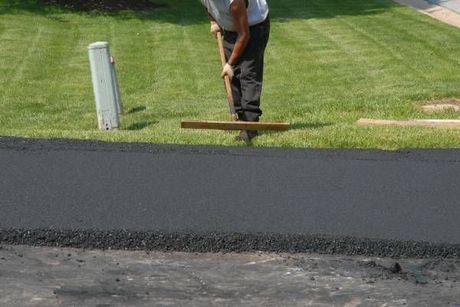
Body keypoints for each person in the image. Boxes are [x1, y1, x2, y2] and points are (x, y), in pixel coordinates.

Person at [199, 0, 270, 141]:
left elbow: (244, 35)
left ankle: (250, 126)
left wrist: (230, 64)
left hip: (254, 26)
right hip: (232, 28)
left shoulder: (235, 1)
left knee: (248, 74)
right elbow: (208, 5)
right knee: (232, 77)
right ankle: (238, 118)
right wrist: (213, 21)